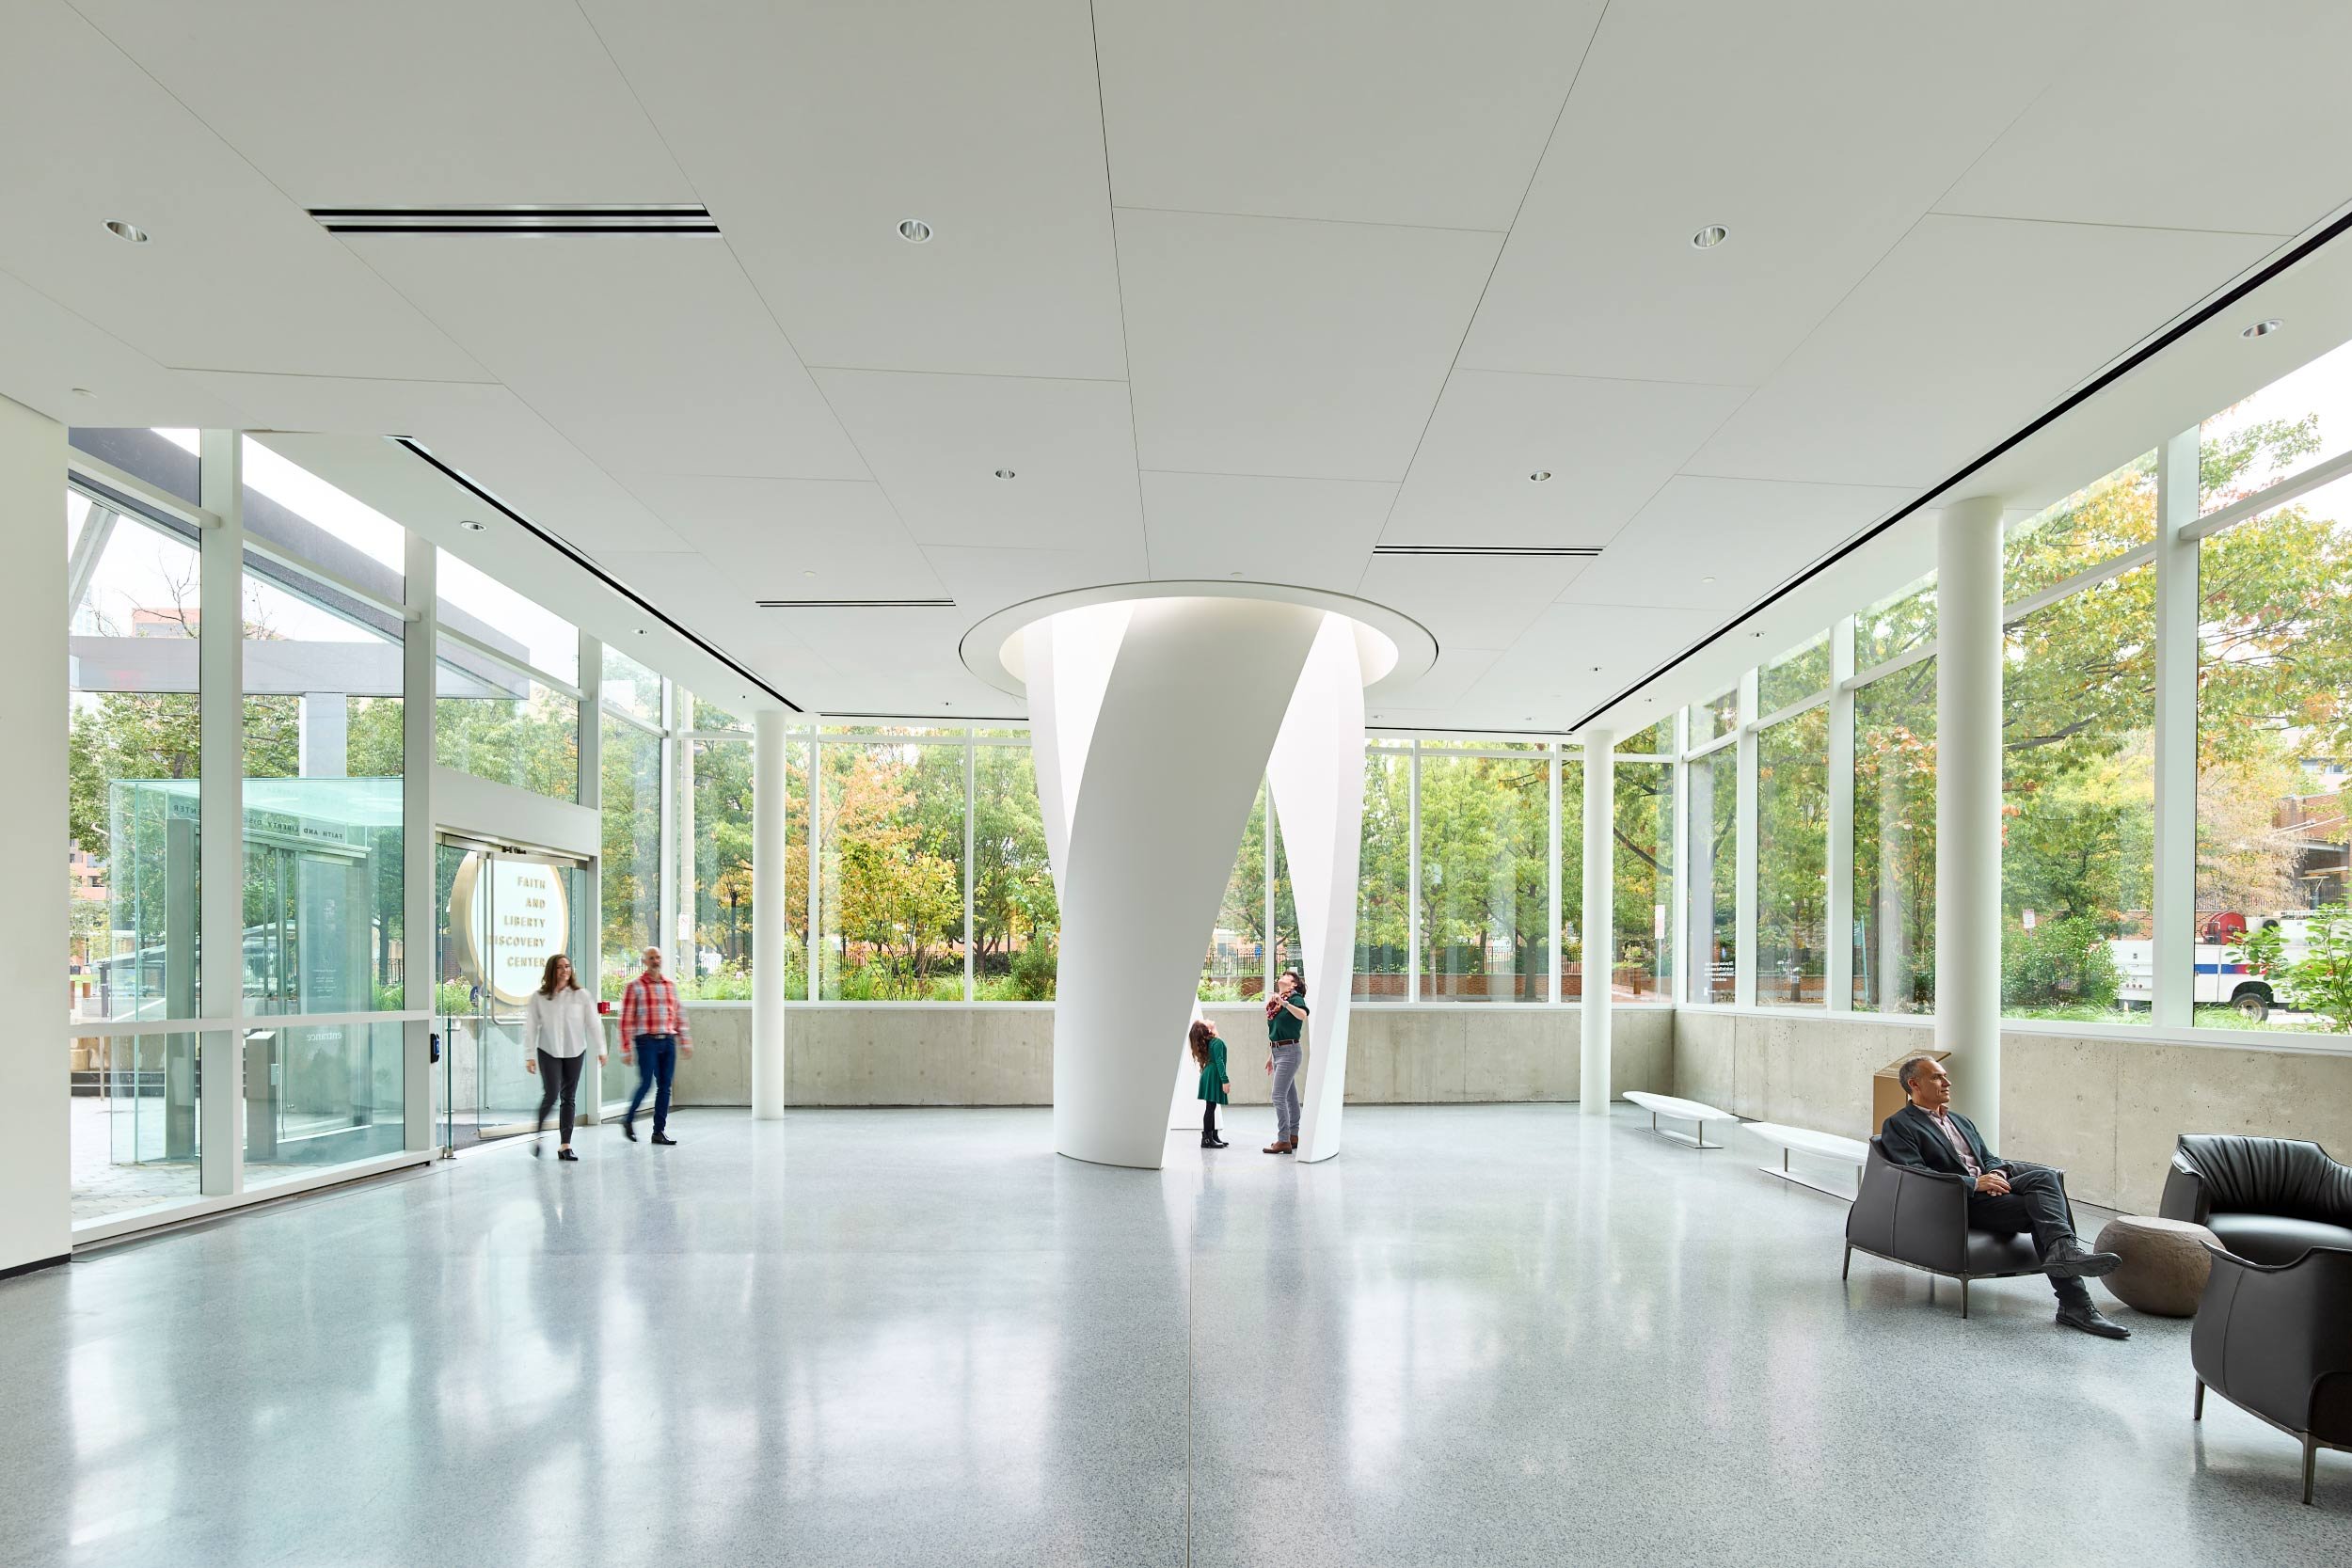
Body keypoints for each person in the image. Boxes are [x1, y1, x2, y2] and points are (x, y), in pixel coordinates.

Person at [1881, 1055, 2128, 1338]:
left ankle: (2066, 1262)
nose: (1947, 1082)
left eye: (1945, 1075)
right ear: (1914, 1083)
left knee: (2044, 1181)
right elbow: (1915, 1173)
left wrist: (1996, 1174)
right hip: (1959, 1203)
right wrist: (1975, 1183)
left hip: (1992, 1193)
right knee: (2044, 1213)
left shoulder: (1960, 1121)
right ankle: (2075, 1304)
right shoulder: (1899, 1125)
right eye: (1937, 1077)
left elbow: (1987, 1157)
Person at [523, 953, 602, 1161]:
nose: (565, 970)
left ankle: (565, 1145)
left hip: (575, 1051)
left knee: (569, 1097)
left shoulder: (581, 995)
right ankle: (538, 1137)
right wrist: (529, 1055)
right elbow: (530, 1028)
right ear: (552, 970)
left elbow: (594, 1023)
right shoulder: (539, 997)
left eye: (567, 966)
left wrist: (601, 1049)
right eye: (560, 967)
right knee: (551, 1094)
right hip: (548, 1051)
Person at [619, 946, 692, 1146]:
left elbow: (679, 1015)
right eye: (651, 958)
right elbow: (625, 1020)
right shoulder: (634, 987)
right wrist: (625, 1048)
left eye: (658, 957)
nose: (655, 961)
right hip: (646, 1041)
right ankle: (628, 1119)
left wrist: (684, 1040)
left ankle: (658, 1131)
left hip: (668, 1040)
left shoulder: (670, 986)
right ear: (644, 961)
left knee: (665, 1087)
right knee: (646, 1083)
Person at [1263, 971, 1308, 1154]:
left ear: (1293, 984)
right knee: (1289, 1096)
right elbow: (1275, 1030)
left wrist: (1285, 1003)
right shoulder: (1277, 1003)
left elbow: (1303, 1015)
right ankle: (1293, 1135)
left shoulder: (1295, 999)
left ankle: (1283, 1140)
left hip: (1290, 1052)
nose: (1281, 976)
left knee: (1277, 1096)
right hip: (1278, 1051)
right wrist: (1270, 1056)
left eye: (1286, 975)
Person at [1190, 1021, 1231, 1148]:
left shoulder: (1212, 1041)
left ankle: (1212, 1136)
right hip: (1212, 1075)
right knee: (1210, 1107)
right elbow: (1219, 1061)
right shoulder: (1216, 1042)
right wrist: (1225, 1080)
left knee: (1211, 1107)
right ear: (1206, 1029)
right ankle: (1207, 1139)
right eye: (1204, 1021)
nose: (1208, 1019)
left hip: (1209, 1074)